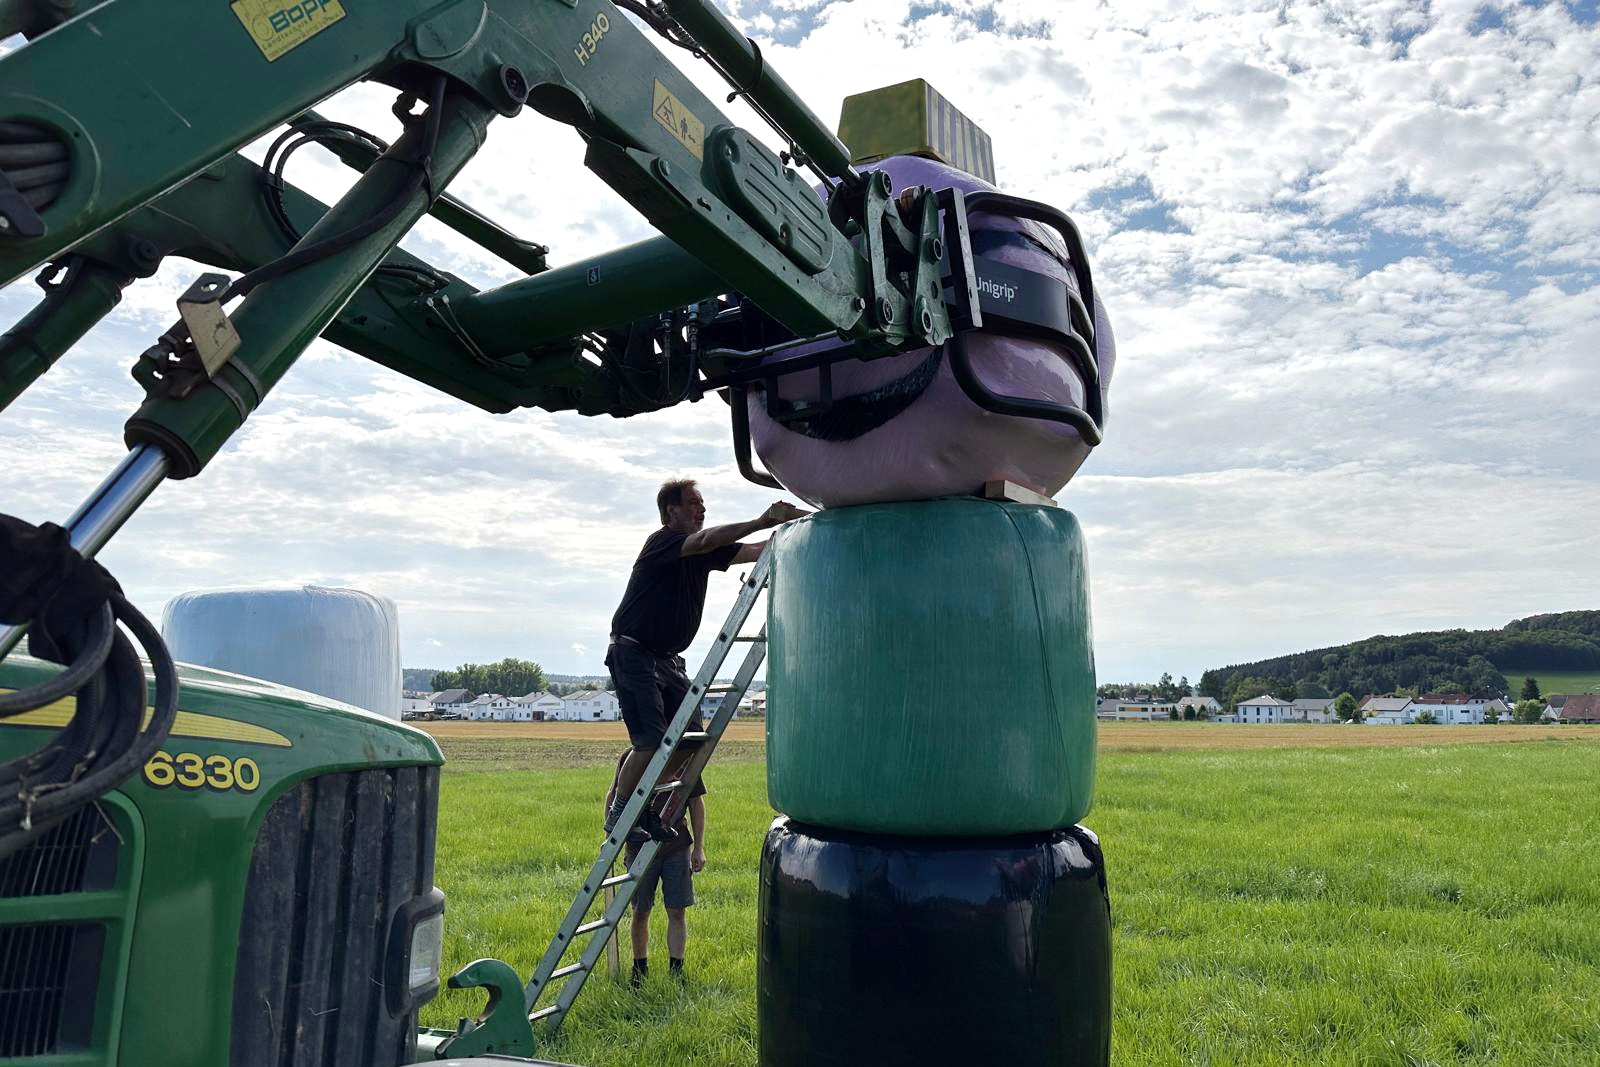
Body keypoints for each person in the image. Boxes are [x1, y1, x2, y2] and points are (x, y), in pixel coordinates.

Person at [603, 478, 804, 841]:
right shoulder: (662, 541)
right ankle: (619, 814)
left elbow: (752, 551)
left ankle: (645, 810)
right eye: (694, 503)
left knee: (690, 742)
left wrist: (797, 529)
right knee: (650, 742)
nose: (702, 509)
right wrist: (762, 520)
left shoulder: (702, 551)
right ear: (671, 512)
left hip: (667, 660)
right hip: (633, 652)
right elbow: (705, 539)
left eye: (702, 503)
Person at [603, 748, 707, 984]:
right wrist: (609, 836)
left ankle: (676, 971)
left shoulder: (686, 757)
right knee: (640, 912)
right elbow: (613, 796)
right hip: (638, 847)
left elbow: (696, 804)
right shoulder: (633, 756)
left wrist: (699, 847)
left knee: (677, 911)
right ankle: (639, 972)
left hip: (676, 846)